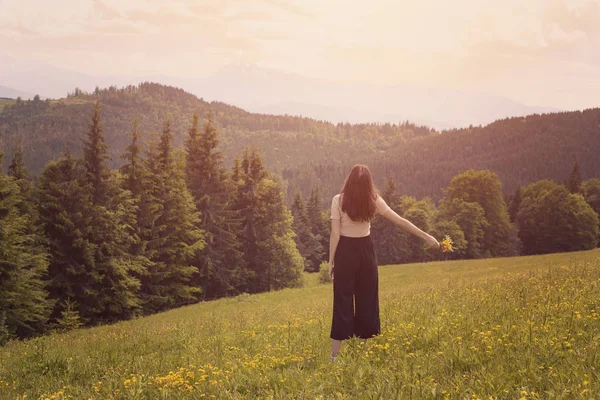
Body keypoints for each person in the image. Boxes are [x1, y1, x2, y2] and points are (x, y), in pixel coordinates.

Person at [328, 164, 440, 361]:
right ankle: (361, 354)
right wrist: (426, 236)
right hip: (366, 252)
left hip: (345, 253)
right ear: (368, 184)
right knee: (367, 301)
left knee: (342, 302)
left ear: (349, 180)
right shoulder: (373, 200)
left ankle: (335, 357)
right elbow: (400, 220)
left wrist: (331, 262)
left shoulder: (338, 200)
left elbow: (335, 234)